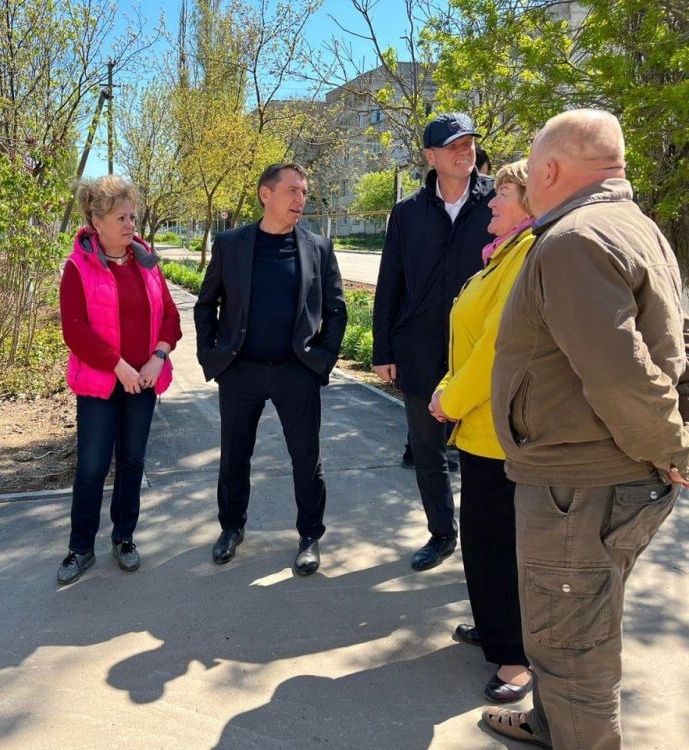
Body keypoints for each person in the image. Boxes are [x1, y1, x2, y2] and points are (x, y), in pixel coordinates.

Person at [484, 110, 684, 749]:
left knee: (573, 651)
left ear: (548, 169)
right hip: (594, 474)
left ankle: (572, 731)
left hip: (581, 483)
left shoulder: (575, 239)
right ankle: (550, 724)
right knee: (565, 625)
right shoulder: (632, 225)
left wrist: (672, 447)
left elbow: (621, 372)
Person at [194, 163, 347, 575]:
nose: (301, 199)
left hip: (296, 371)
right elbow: (205, 304)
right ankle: (231, 528)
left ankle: (310, 536)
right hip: (240, 371)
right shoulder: (232, 245)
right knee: (234, 455)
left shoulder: (319, 247)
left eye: (304, 192)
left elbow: (336, 310)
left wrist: (322, 360)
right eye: (292, 190)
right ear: (266, 194)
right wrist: (213, 356)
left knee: (306, 457)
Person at [428, 159, 536, 703]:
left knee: (501, 546)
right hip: (481, 427)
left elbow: (498, 349)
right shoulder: (504, 255)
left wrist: (451, 397)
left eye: (503, 193)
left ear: (531, 201)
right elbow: (470, 341)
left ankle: (516, 658)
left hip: (502, 431)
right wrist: (450, 385)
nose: (490, 202)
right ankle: (495, 629)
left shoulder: (525, 257)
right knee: (485, 543)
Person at [372, 113, 495, 571]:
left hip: (483, 351)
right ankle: (442, 534)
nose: (465, 151)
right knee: (428, 452)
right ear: (431, 156)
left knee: (485, 454)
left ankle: (490, 545)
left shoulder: (498, 202)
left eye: (469, 143)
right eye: (453, 145)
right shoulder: (407, 213)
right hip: (421, 349)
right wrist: (383, 349)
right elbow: (391, 281)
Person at [57, 175, 182, 586]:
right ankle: (80, 548)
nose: (131, 224)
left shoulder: (145, 261)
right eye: (122, 217)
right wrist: (118, 366)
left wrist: (157, 358)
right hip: (100, 386)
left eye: (132, 216)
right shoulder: (78, 266)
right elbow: (75, 330)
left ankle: (124, 537)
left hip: (143, 382)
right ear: (97, 221)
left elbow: (170, 316)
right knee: (92, 467)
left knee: (132, 462)